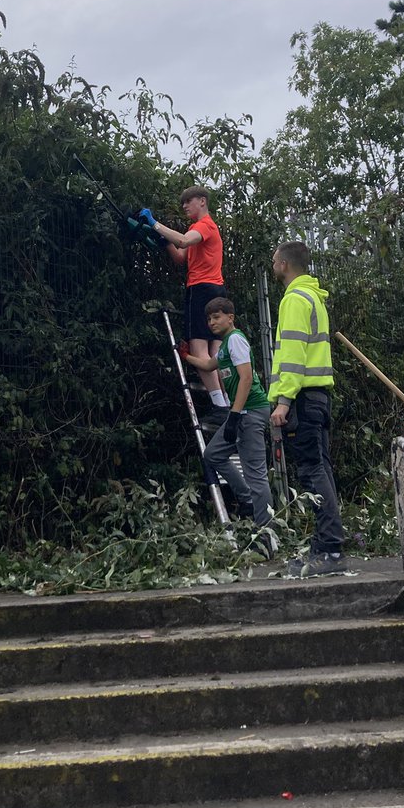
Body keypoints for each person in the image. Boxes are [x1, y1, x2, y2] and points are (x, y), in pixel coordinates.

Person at [268, 241, 348, 577]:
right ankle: (324, 547)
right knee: (320, 469)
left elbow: (294, 353)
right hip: (316, 398)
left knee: (313, 472)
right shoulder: (313, 297)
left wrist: (283, 400)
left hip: (302, 398)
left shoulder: (295, 300)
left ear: (284, 264)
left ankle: (330, 550)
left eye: (274, 261)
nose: (273, 266)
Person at [180, 297, 275, 546]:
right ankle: (247, 500)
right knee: (213, 455)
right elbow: (209, 365)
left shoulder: (236, 340)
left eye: (217, 317)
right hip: (241, 413)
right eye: (209, 318)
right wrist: (186, 356)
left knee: (256, 473)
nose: (211, 322)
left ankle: (266, 534)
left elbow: (245, 379)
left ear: (230, 318)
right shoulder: (223, 347)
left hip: (251, 411)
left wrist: (233, 416)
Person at [140, 187, 228, 419]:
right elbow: (181, 256)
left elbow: (182, 240)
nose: (185, 206)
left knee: (199, 348)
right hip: (217, 290)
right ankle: (230, 404)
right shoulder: (200, 230)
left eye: (188, 201)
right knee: (216, 350)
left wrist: (154, 223)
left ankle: (219, 406)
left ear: (202, 201)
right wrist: (163, 242)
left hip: (201, 289)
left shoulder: (204, 226)